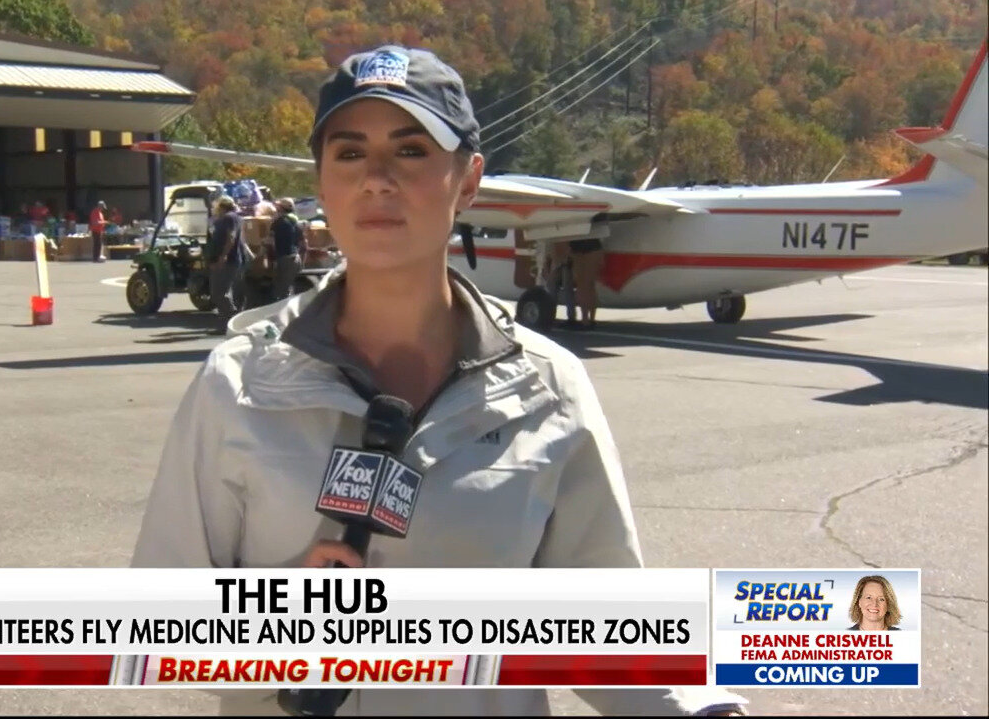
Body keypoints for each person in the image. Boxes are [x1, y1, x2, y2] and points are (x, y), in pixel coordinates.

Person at [127, 45, 747, 716]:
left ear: (470, 180)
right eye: (350, 153)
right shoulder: (240, 384)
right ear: (323, 180)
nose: (377, 180)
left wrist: (704, 708)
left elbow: (607, 629)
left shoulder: (548, 388)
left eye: (412, 151)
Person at [206, 195, 244, 334]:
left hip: (227, 261)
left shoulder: (229, 218)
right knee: (218, 292)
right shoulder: (228, 218)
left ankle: (231, 321)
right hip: (224, 259)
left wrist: (223, 256)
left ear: (221, 206)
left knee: (219, 293)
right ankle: (227, 323)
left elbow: (231, 237)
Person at [270, 196, 306, 300]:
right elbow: (303, 244)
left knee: (280, 292)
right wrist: (302, 261)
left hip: (283, 259)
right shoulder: (296, 222)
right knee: (288, 289)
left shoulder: (277, 222)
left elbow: (270, 242)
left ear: (281, 208)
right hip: (295, 258)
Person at [569, 236, 603, 329]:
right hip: (594, 244)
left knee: (582, 285)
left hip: (579, 245)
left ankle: (585, 320)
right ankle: (591, 319)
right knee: (590, 284)